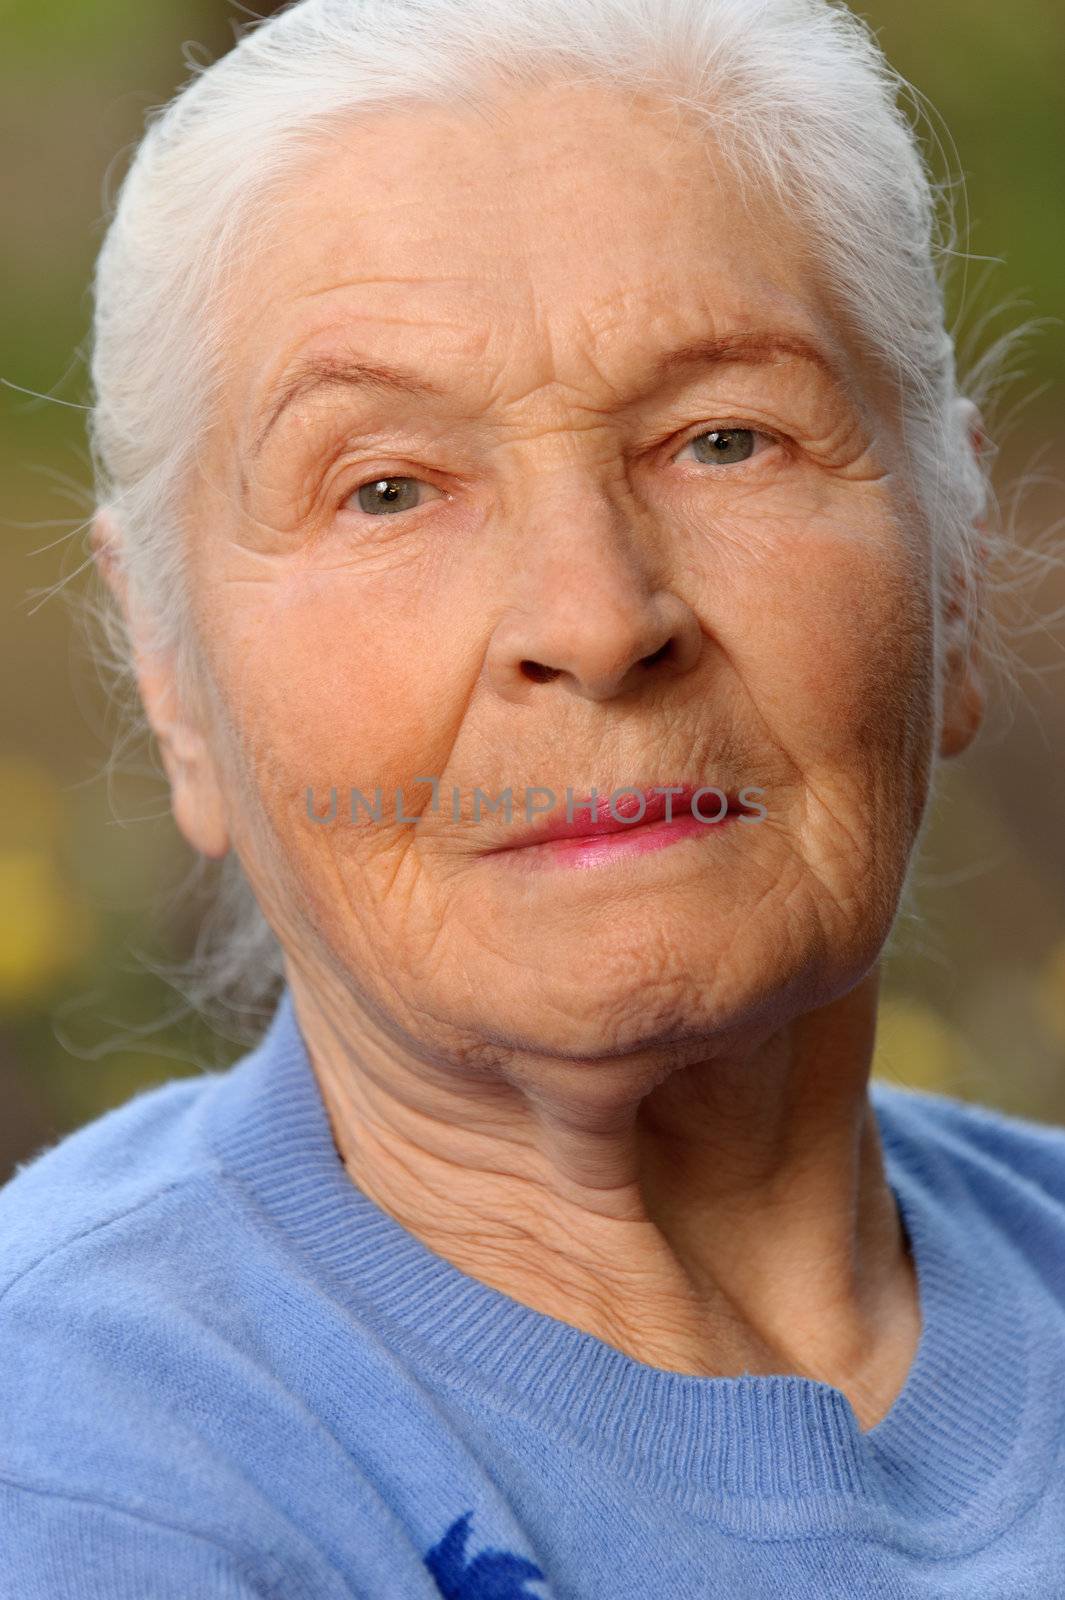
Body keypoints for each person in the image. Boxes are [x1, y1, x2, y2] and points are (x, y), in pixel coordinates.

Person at [2, 0, 1063, 1593]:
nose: (591, 617)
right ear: (172, 680)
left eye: (723, 438)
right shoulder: (87, 1465)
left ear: (958, 583)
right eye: (385, 488)